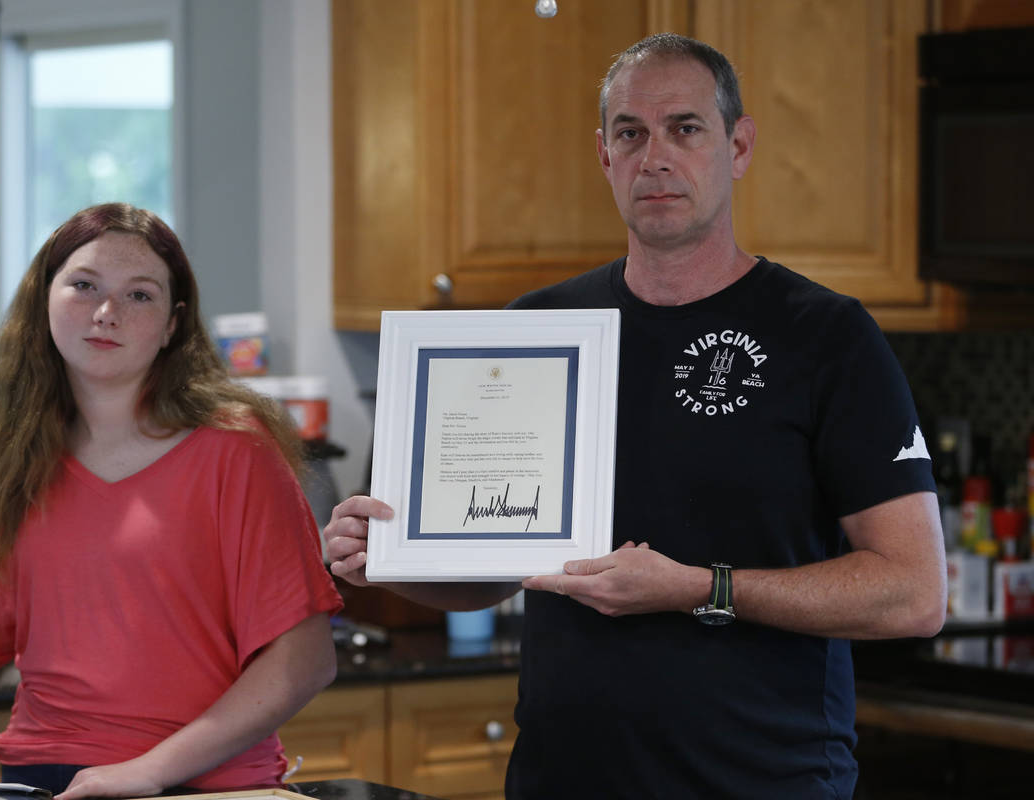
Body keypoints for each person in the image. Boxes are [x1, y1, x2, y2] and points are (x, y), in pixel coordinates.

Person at [324, 33, 946, 799]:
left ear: (739, 146)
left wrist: (697, 588)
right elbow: (500, 570)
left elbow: (913, 592)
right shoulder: (538, 333)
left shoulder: (825, 337)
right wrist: (394, 557)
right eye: (631, 132)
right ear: (604, 155)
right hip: (564, 778)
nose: (655, 156)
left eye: (685, 128)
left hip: (763, 780)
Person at [0, 203, 343, 798]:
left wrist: (145, 772)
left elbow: (306, 660)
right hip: (46, 777)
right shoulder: (17, 457)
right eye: (83, 285)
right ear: (43, 299)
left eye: (140, 296)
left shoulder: (236, 450)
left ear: (174, 323)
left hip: (206, 783)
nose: (106, 313)